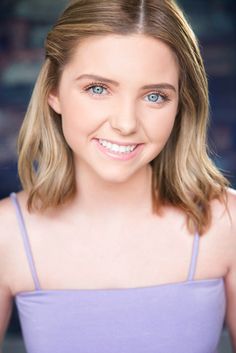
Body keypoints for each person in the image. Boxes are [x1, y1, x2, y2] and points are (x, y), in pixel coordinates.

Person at [0, 0, 235, 352]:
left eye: (155, 96)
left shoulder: (226, 224)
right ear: (53, 91)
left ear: (180, 105)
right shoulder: (8, 236)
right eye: (98, 89)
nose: (126, 123)